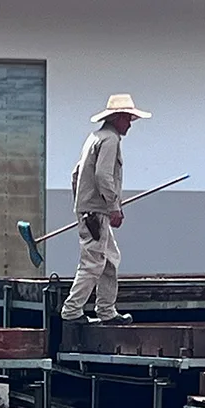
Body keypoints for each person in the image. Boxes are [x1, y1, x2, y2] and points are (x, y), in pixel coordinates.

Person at [59, 93, 151, 325]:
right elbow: (102, 175)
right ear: (118, 118)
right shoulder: (110, 140)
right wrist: (113, 207)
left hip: (91, 209)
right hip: (96, 212)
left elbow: (76, 175)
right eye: (128, 118)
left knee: (110, 259)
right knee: (93, 263)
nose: (130, 124)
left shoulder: (95, 137)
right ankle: (71, 311)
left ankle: (107, 311)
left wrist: (82, 205)